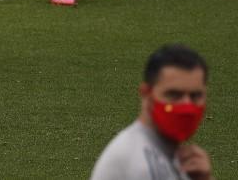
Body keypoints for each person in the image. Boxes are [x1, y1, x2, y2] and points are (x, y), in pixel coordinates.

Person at [90, 44, 213, 180]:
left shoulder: (171, 154)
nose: (186, 106)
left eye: (195, 96)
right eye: (174, 95)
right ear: (146, 94)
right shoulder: (134, 161)